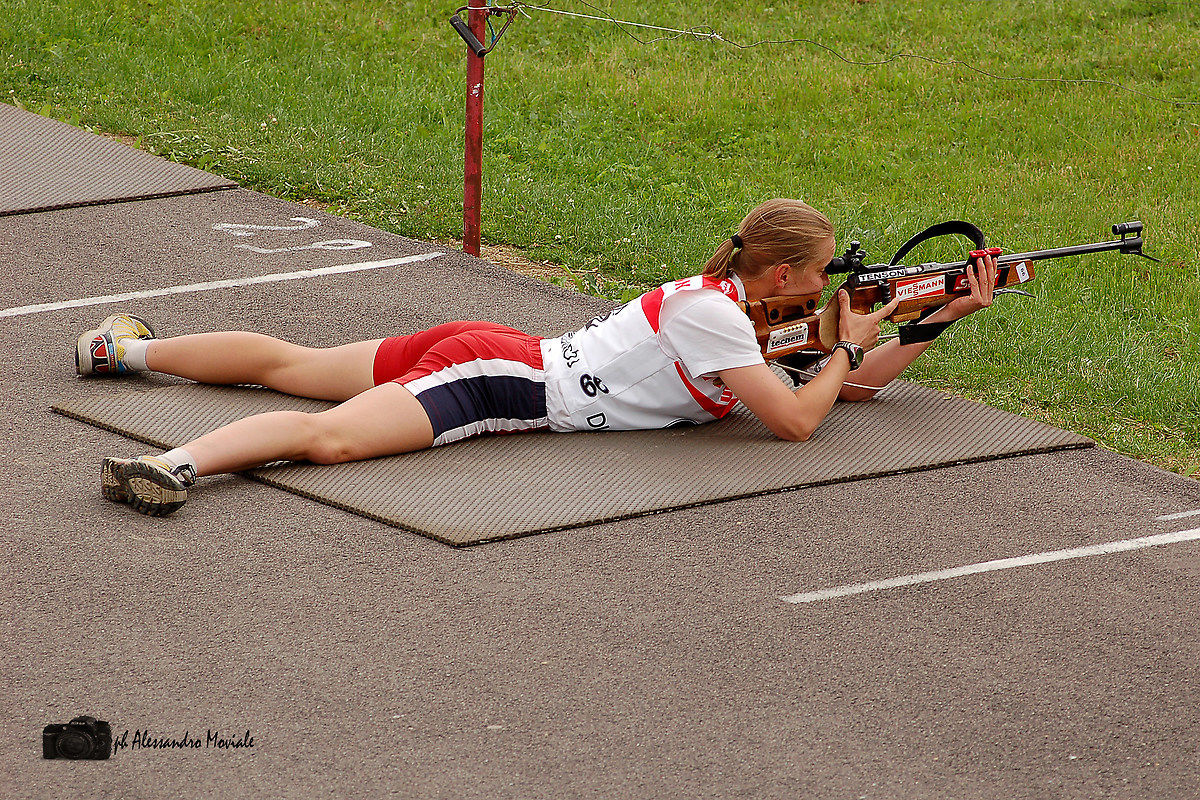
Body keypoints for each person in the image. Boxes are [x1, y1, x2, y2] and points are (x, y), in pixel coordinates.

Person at [75, 198, 998, 516]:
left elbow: (849, 386)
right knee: (331, 439)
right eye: (822, 275)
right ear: (785, 273)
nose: (829, 287)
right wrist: (851, 342)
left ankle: (123, 351)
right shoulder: (718, 318)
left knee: (292, 362)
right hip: (502, 381)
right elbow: (799, 418)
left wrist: (936, 319)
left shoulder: (732, 309)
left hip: (502, 351)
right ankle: (174, 465)